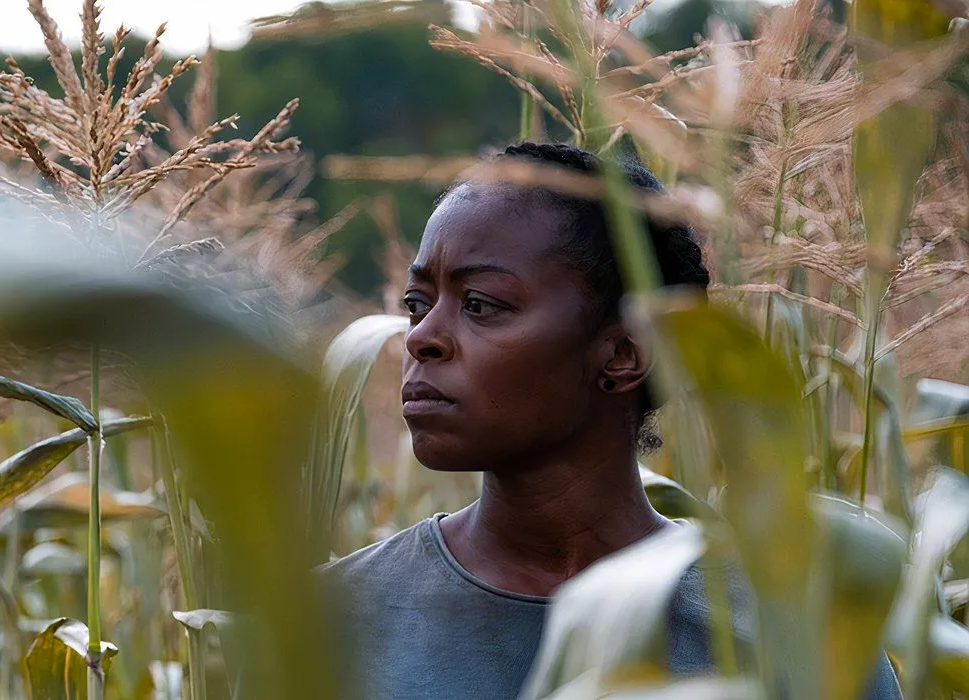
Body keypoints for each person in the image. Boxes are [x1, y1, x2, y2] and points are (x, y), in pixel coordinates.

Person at [318, 142, 901, 699]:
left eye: (480, 304)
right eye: (418, 304)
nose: (420, 337)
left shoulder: (794, 630)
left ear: (624, 353)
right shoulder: (329, 620)